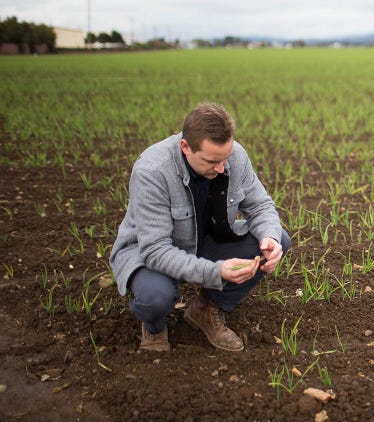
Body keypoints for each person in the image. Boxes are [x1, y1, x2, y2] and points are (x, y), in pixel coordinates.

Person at [110, 102, 290, 352]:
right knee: (155, 298)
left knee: (280, 237)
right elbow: (155, 250)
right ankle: (154, 327)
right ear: (186, 147)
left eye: (225, 158)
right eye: (211, 161)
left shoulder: (233, 156)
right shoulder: (152, 171)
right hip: (149, 253)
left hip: (205, 241)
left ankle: (206, 308)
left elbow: (260, 206)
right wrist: (216, 271)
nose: (221, 168)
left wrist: (270, 237)